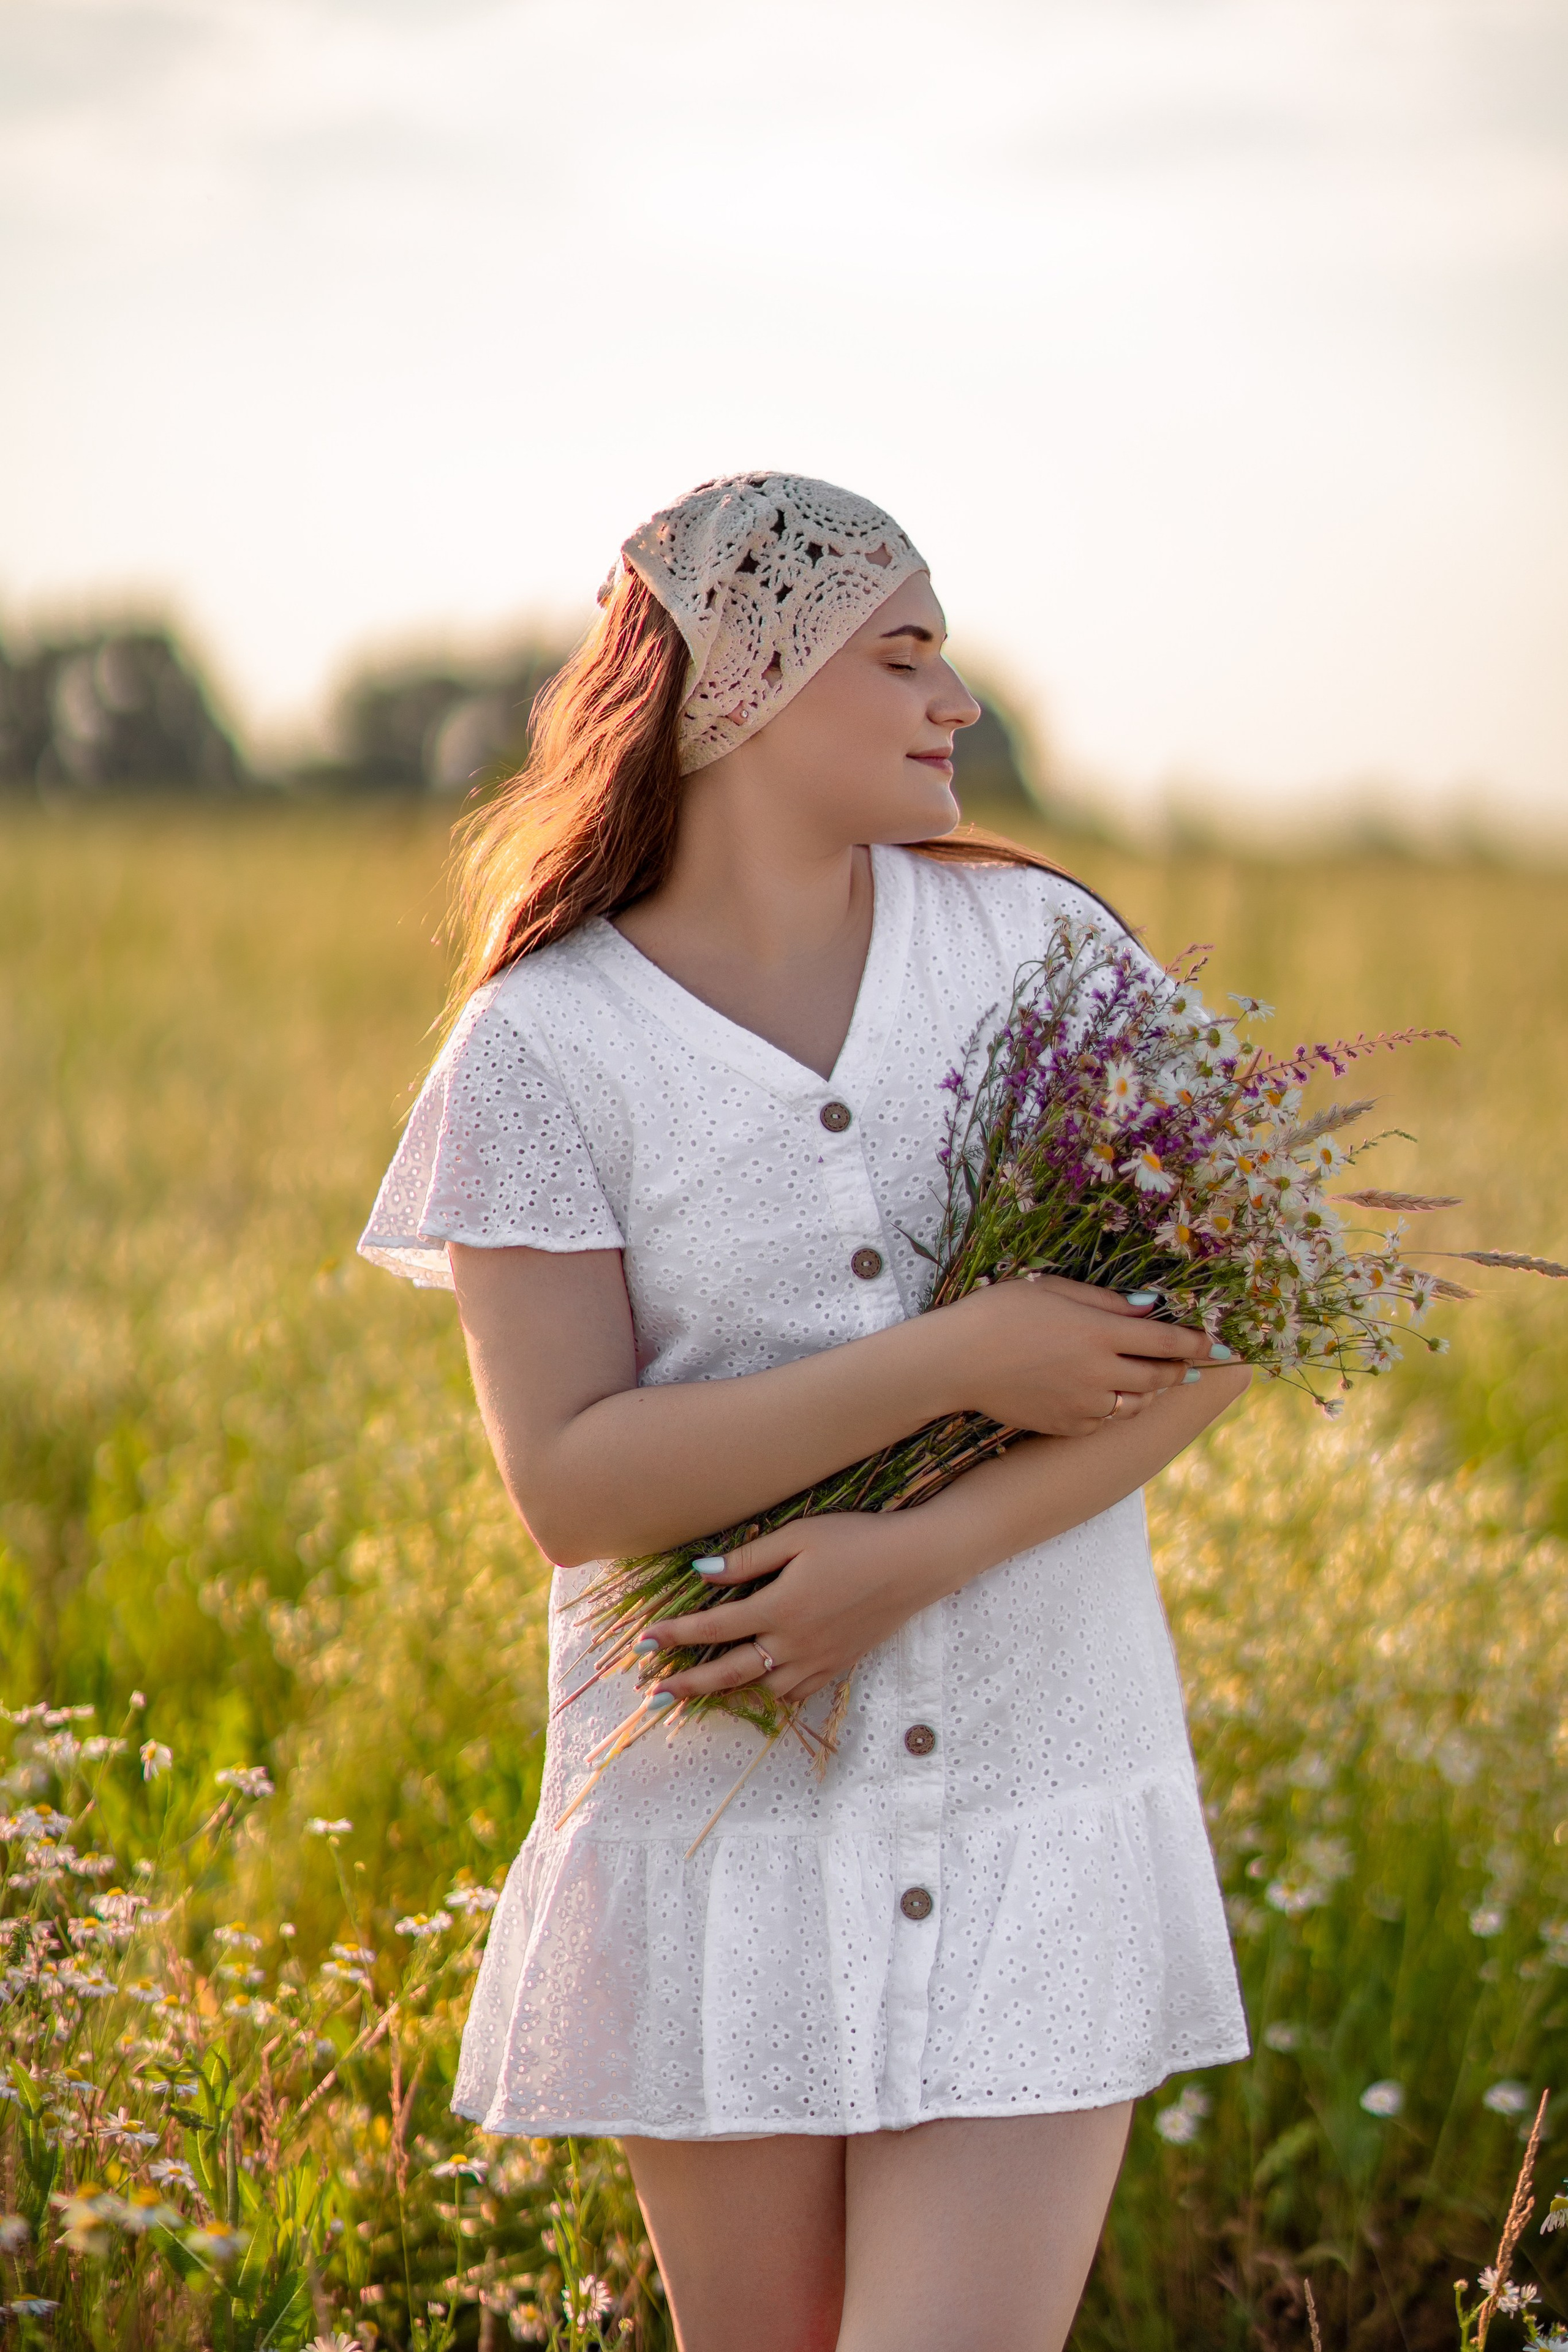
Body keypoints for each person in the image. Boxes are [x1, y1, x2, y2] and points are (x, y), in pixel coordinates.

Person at [360, 472, 1251, 2352]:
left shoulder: (1043, 957)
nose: (962, 705)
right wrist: (952, 1359)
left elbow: (1227, 1311)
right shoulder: (541, 1045)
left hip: (1037, 1798)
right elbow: (575, 1485)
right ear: (737, 687)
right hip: (719, 1831)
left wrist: (907, 1558)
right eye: (908, 655)